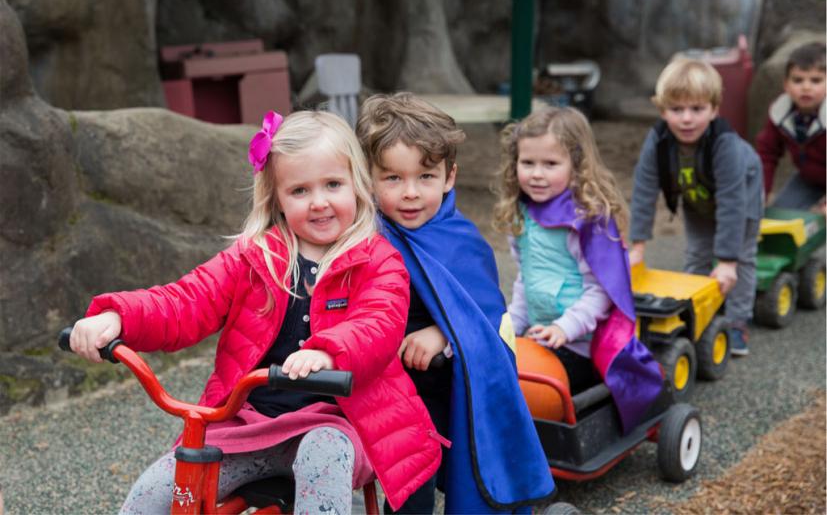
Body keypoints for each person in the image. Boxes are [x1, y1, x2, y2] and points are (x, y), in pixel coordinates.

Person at [68, 110, 444, 514]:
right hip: (247, 423)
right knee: (156, 493)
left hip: (337, 422)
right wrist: (117, 318)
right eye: (299, 191)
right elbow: (185, 300)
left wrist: (328, 353)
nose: (318, 202)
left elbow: (378, 324)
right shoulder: (254, 257)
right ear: (277, 197)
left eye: (333, 184)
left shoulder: (378, 261)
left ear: (357, 185)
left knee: (324, 455)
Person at [356, 93, 555, 514]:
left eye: (425, 177)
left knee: (429, 463)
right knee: (409, 477)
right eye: (392, 178)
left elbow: (487, 317)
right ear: (368, 179)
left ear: (449, 177)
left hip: (444, 389)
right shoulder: (365, 236)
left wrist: (444, 333)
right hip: (382, 388)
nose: (410, 193)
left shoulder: (460, 241)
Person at [493, 106, 663, 433]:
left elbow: (601, 290)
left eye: (551, 164)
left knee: (534, 388)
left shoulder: (585, 220)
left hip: (581, 343)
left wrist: (564, 328)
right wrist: (513, 322)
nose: (537, 174)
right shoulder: (522, 214)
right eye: (528, 163)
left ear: (577, 165)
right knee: (495, 363)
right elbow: (527, 280)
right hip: (542, 335)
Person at [628, 57, 764, 356]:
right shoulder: (658, 140)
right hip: (697, 199)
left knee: (741, 258)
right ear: (663, 111)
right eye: (677, 110)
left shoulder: (725, 144)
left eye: (697, 109)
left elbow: (732, 200)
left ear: (714, 110)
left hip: (741, 198)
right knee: (697, 254)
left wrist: (727, 261)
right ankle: (699, 311)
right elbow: (643, 190)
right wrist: (637, 244)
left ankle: (738, 320)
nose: (686, 119)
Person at [756, 41, 825, 211]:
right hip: (809, 179)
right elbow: (767, 154)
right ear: (786, 85)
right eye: (798, 80)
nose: (806, 87)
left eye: (816, 81)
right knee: (780, 214)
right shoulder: (780, 113)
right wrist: (760, 193)